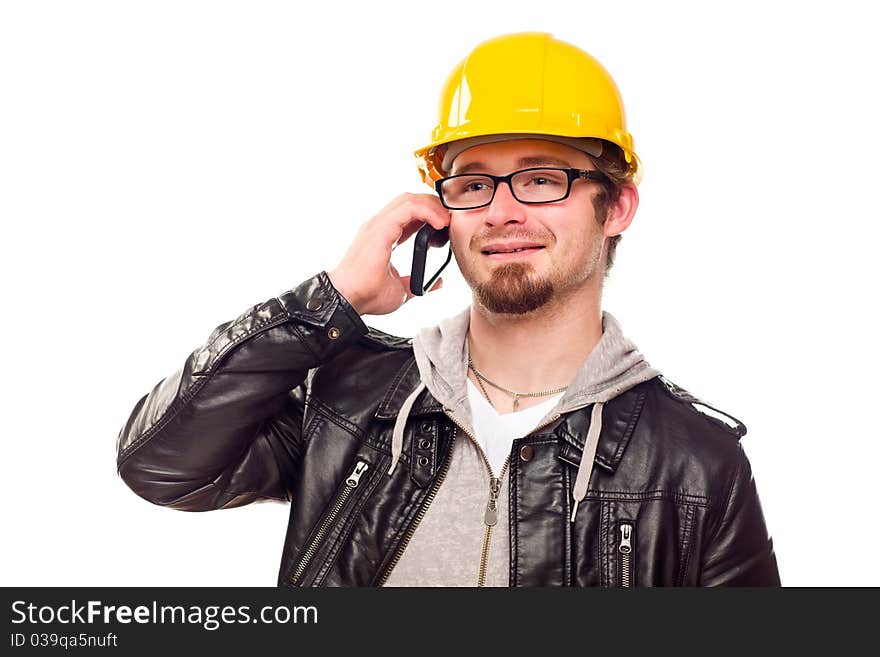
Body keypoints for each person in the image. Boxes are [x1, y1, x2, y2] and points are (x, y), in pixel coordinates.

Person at [117, 32, 780, 586]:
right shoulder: (351, 398)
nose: (501, 210)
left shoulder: (699, 466)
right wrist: (333, 301)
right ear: (440, 215)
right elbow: (159, 463)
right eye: (472, 182)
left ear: (617, 207)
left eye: (543, 177)